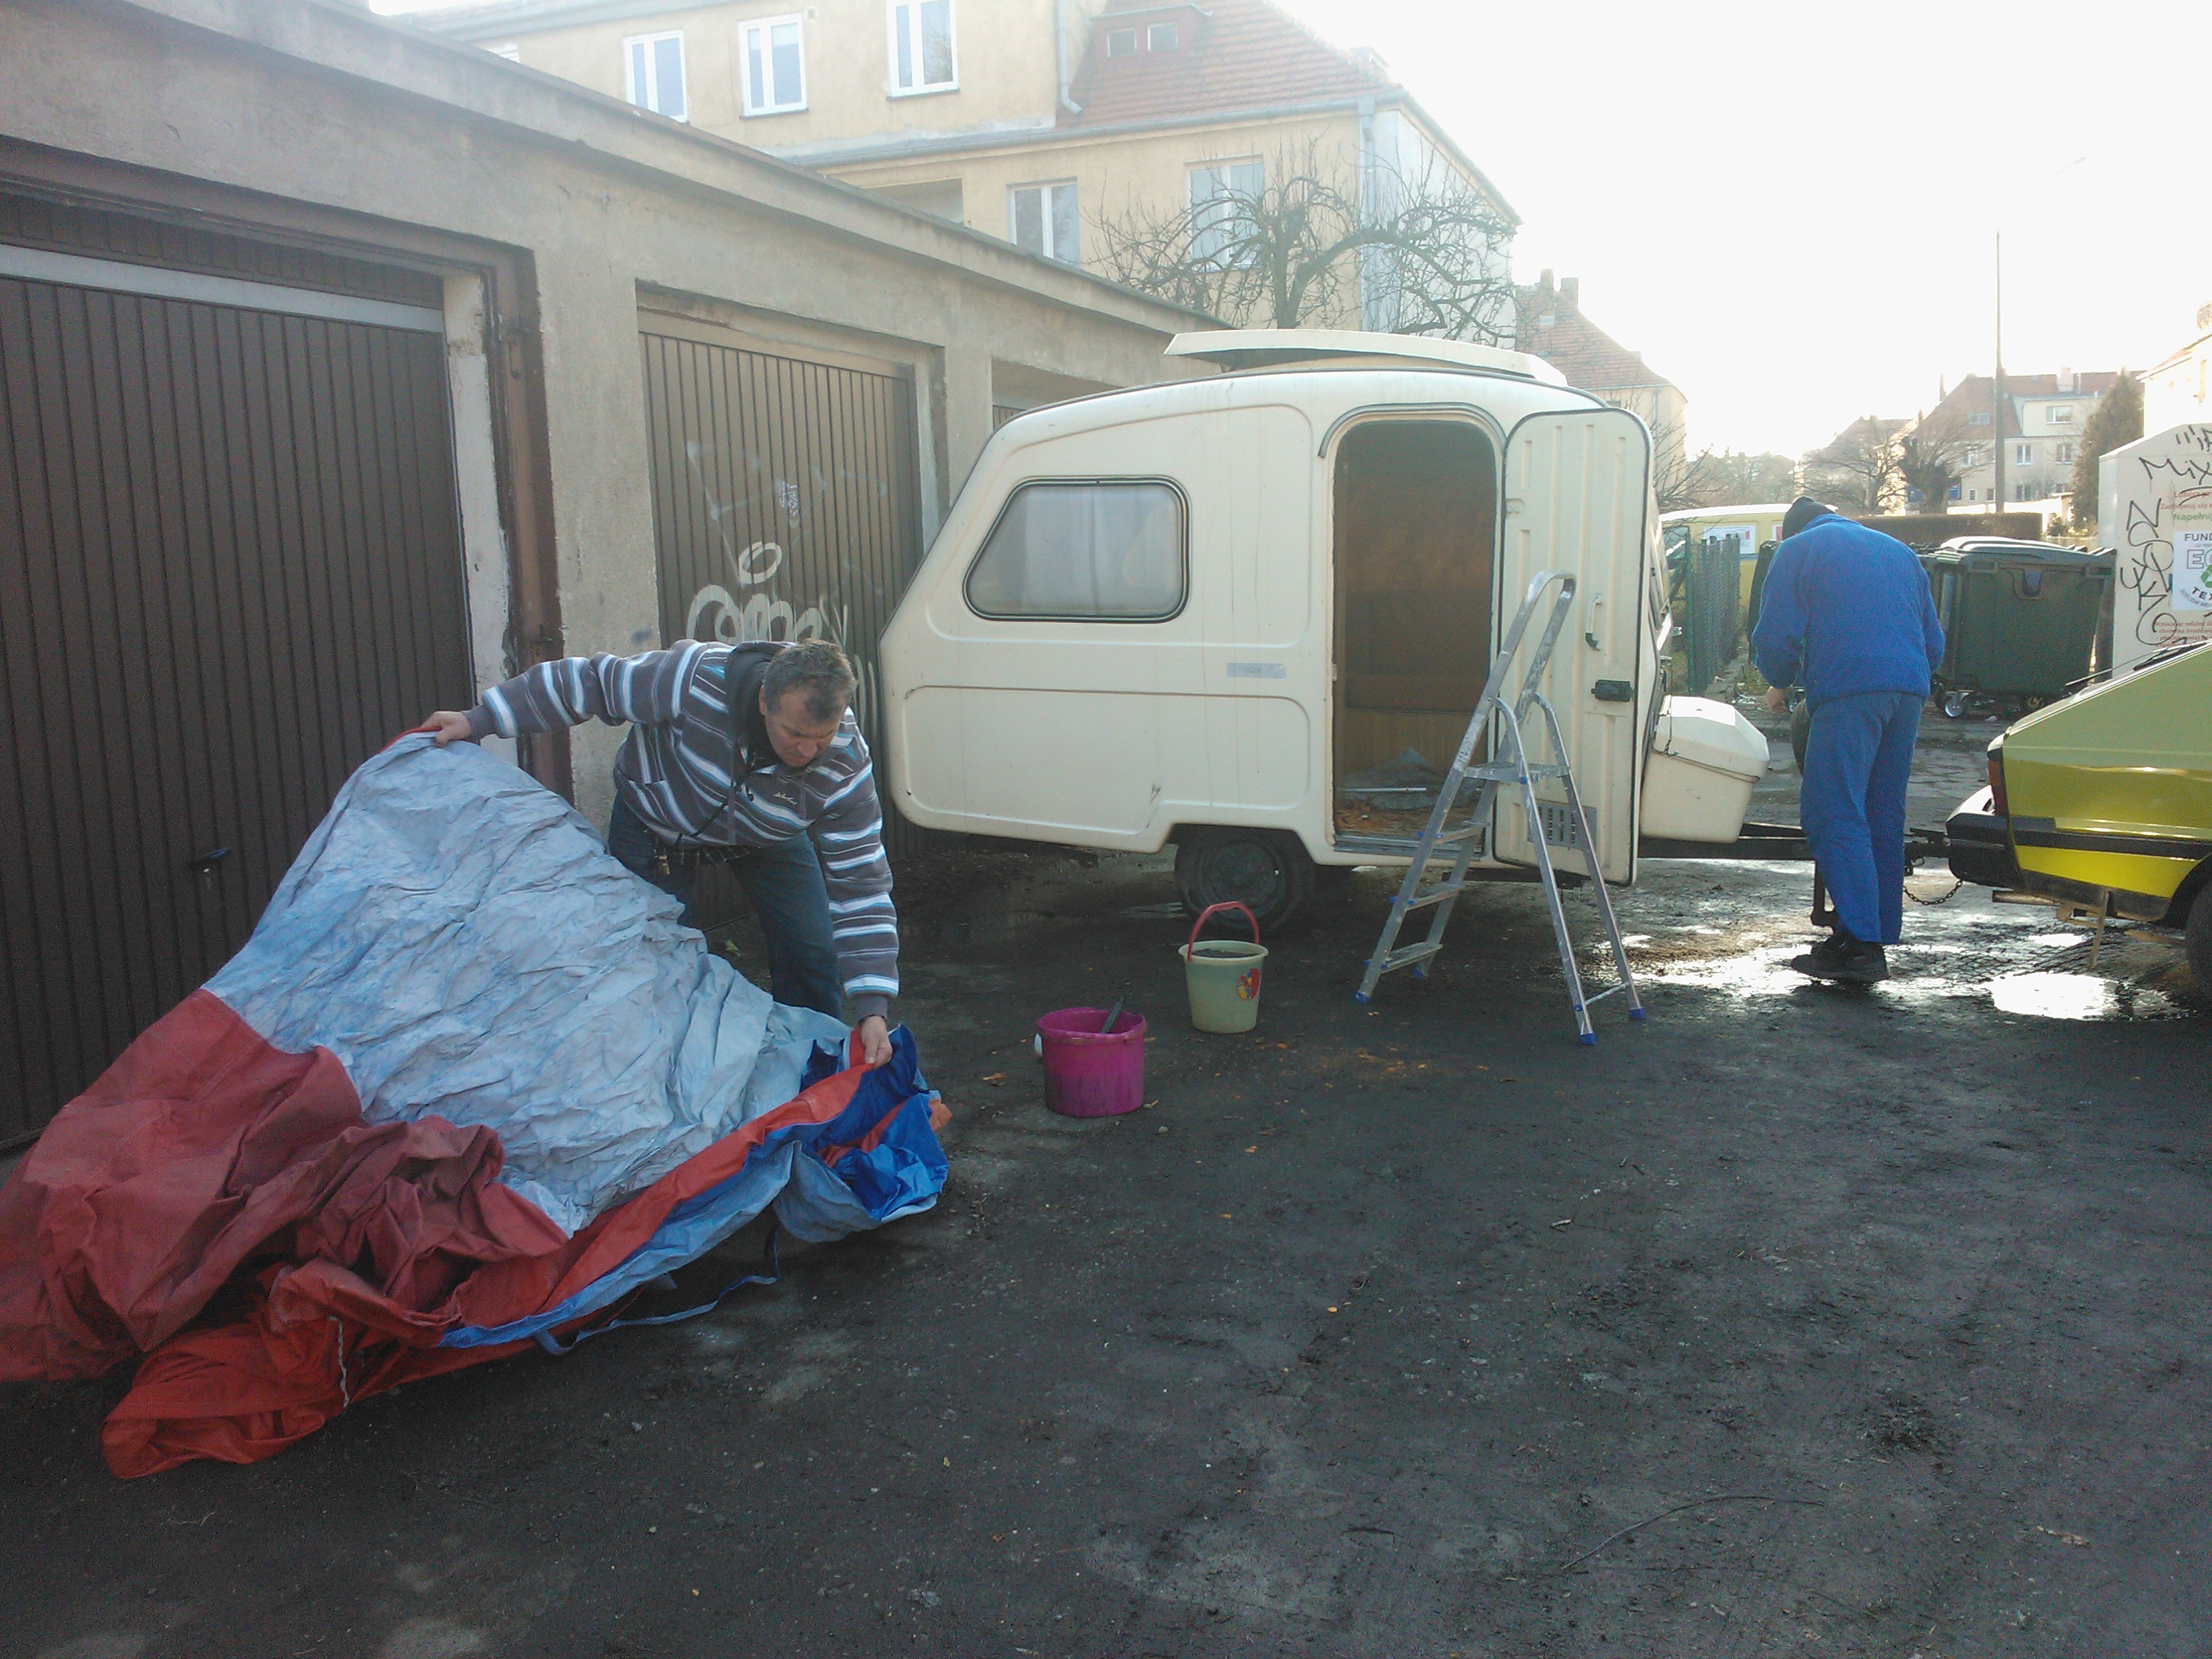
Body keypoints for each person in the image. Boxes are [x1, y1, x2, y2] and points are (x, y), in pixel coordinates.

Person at [424, 638, 899, 1066]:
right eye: (794, 733)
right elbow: (590, 683)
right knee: (659, 966)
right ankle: (668, 1076)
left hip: (767, 834)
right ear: (763, 701)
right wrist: (478, 719)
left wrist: (873, 1006)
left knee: (812, 949)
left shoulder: (844, 759)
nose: (808, 752)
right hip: (656, 826)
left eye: (822, 737)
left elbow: (861, 881)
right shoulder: (691, 681)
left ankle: (812, 1067)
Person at [1750, 497, 1945, 984]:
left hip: (1849, 690)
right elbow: (1935, 644)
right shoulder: (1899, 552)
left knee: (1834, 810)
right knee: (1882, 814)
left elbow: (1775, 635)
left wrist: (1780, 679)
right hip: (1907, 693)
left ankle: (1859, 944)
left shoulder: (1799, 549)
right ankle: (1872, 935)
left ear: (1792, 529)